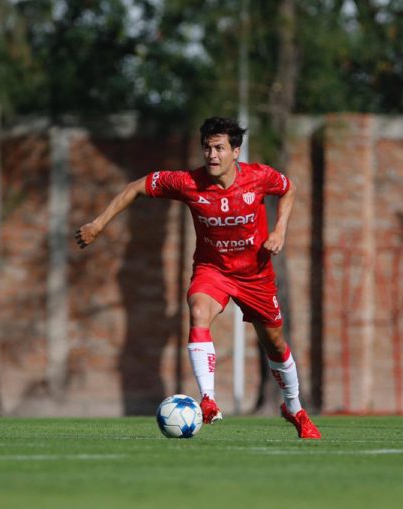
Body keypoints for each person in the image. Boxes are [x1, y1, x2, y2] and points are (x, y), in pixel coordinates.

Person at [76, 116, 321, 439]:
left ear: (236, 151)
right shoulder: (188, 182)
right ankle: (208, 399)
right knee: (198, 311)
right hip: (213, 270)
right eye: (207, 148)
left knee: (275, 345)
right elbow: (137, 187)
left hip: (255, 275)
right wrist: (98, 224)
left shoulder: (259, 177)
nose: (212, 155)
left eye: (219, 148)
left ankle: (294, 408)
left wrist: (279, 231)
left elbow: (288, 189)